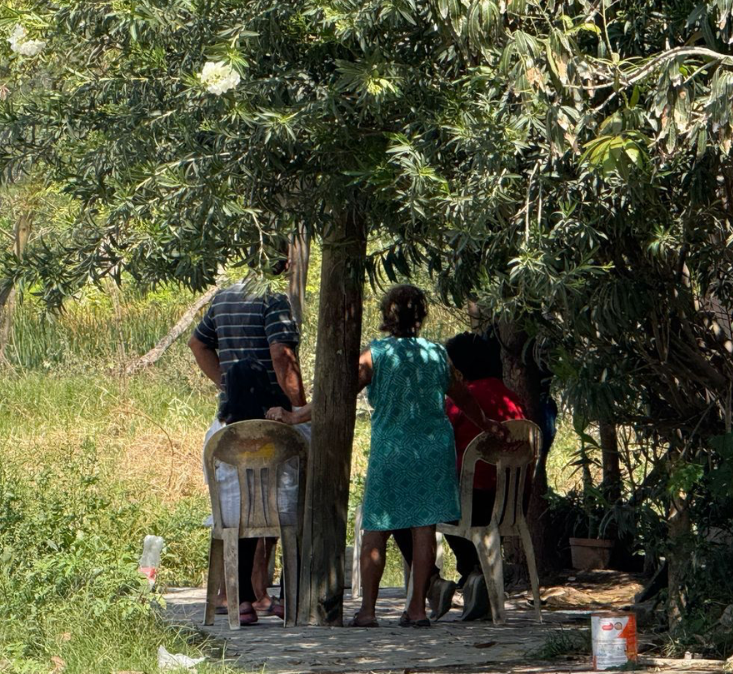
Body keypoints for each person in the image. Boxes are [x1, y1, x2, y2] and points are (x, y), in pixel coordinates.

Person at [270, 284, 503, 627]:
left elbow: (338, 393)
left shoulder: (373, 356)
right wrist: (487, 425)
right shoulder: (435, 355)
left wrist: (295, 415)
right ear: (421, 316)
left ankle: (367, 611)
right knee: (424, 529)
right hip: (432, 449)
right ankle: (417, 610)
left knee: (377, 529)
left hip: (390, 450)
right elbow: (464, 398)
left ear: (386, 316)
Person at [189, 261, 308, 626]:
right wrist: (300, 408)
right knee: (298, 500)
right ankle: (293, 595)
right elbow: (280, 354)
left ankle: (238, 598)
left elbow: (198, 343)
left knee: (237, 504)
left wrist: (226, 384)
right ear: (285, 262)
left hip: (234, 419)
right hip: (271, 417)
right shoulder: (273, 299)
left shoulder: (225, 296)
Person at [393, 331, 528, 622]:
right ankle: (474, 576)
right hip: (509, 504)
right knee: (454, 504)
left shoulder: (461, 402)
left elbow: (431, 445)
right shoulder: (513, 399)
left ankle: (431, 582)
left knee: (403, 511)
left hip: (469, 502)